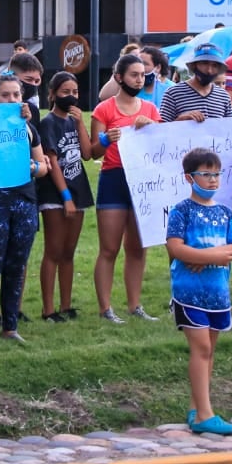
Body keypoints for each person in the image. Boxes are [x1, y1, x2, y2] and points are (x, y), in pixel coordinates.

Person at [167, 147, 232, 436]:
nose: (212, 180)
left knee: (210, 351)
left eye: (216, 174)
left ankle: (197, 405)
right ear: (190, 177)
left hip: (218, 294)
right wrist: (208, 256)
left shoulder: (225, 213)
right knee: (200, 348)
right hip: (189, 293)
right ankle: (204, 414)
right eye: (205, 174)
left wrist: (205, 255)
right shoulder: (181, 210)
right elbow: (175, 247)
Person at [0, 76, 47, 345]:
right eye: (5, 95)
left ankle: (10, 326)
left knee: (17, 265)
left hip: (25, 201)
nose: (12, 100)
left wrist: (31, 167)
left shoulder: (28, 128)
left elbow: (43, 167)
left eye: (16, 95)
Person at [91, 53, 160, 324]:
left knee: (137, 248)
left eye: (142, 75)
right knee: (109, 248)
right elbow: (92, 152)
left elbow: (161, 146)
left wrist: (152, 126)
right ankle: (105, 308)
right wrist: (106, 139)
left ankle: (135, 306)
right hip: (113, 178)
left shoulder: (150, 109)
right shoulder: (104, 109)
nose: (139, 79)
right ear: (119, 78)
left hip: (142, 181)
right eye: (134, 74)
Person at [36, 72, 93, 323]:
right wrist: (66, 196)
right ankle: (48, 309)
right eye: (65, 92)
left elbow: (88, 153)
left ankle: (66, 305)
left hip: (78, 188)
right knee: (54, 251)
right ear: (52, 94)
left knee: (69, 252)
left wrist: (80, 123)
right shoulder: (48, 122)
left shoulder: (73, 120)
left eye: (75, 92)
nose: (71, 97)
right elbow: (53, 162)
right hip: (57, 193)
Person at [160, 43, 232, 123]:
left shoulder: (223, 96)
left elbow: (228, 129)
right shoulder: (173, 93)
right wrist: (180, 121)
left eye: (214, 65)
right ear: (194, 65)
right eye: (204, 63)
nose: (209, 70)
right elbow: (161, 129)